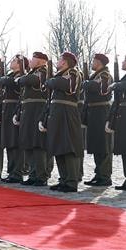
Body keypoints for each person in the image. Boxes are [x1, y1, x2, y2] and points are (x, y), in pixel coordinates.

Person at [40, 51, 84, 193]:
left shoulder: (73, 72)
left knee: (68, 147)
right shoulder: (59, 75)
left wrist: (51, 81)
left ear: (65, 62)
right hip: (56, 113)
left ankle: (71, 181)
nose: (58, 62)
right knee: (58, 147)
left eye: (60, 59)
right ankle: (63, 180)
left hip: (67, 113)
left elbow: (69, 86)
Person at [15, 52, 51, 186]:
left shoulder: (44, 71)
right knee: (28, 143)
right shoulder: (32, 72)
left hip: (38, 109)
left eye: (33, 58)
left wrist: (21, 79)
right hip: (28, 110)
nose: (30, 60)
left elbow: (32, 81)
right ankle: (33, 173)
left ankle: (41, 176)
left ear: (41, 61)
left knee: (38, 144)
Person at [82, 53, 114, 187]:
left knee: (104, 145)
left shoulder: (105, 75)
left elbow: (100, 88)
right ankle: (99, 173)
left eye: (94, 61)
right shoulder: (96, 76)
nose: (92, 63)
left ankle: (105, 176)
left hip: (102, 112)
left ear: (100, 62)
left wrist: (87, 83)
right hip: (93, 112)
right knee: (96, 144)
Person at [0, 55, 27, 183]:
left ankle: (17, 172)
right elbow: (0, 83)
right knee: (8, 142)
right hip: (6, 110)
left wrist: (4, 79)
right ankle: (11, 171)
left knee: (15, 143)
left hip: (14, 108)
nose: (11, 62)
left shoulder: (21, 76)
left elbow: (6, 82)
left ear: (20, 64)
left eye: (14, 61)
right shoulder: (11, 76)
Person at [106, 53, 126, 191]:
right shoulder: (124, 78)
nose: (123, 62)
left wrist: (117, 84)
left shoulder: (123, 81)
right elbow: (117, 102)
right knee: (125, 150)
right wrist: (111, 119)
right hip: (123, 117)